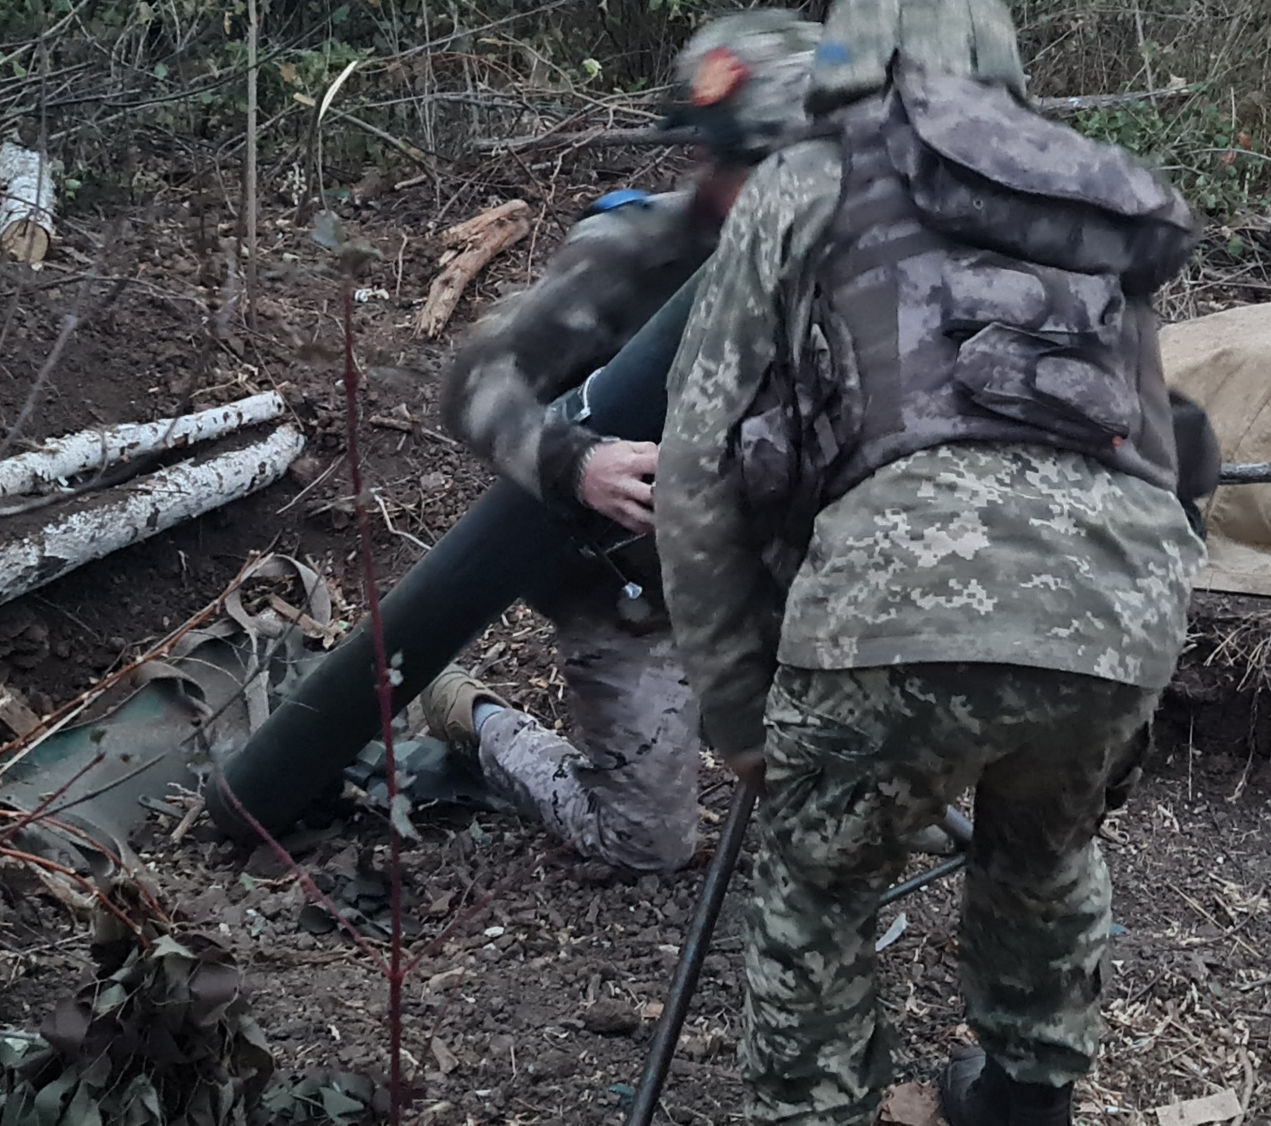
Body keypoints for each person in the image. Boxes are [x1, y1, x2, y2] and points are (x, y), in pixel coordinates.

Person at [654, 0, 1212, 1122]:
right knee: (1043, 852)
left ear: (843, 53)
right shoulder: (1086, 182)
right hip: (1121, 602)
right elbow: (1169, 445)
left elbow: (698, 463)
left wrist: (733, 711)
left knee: (818, 886)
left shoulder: (807, 179)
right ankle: (1021, 1100)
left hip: (889, 601)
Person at [419, 10, 823, 874]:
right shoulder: (632, 253)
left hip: (767, 574)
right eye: (745, 166)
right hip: (631, 596)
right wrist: (577, 462)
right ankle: (475, 718)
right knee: (646, 844)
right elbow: (472, 384)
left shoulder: (839, 266)